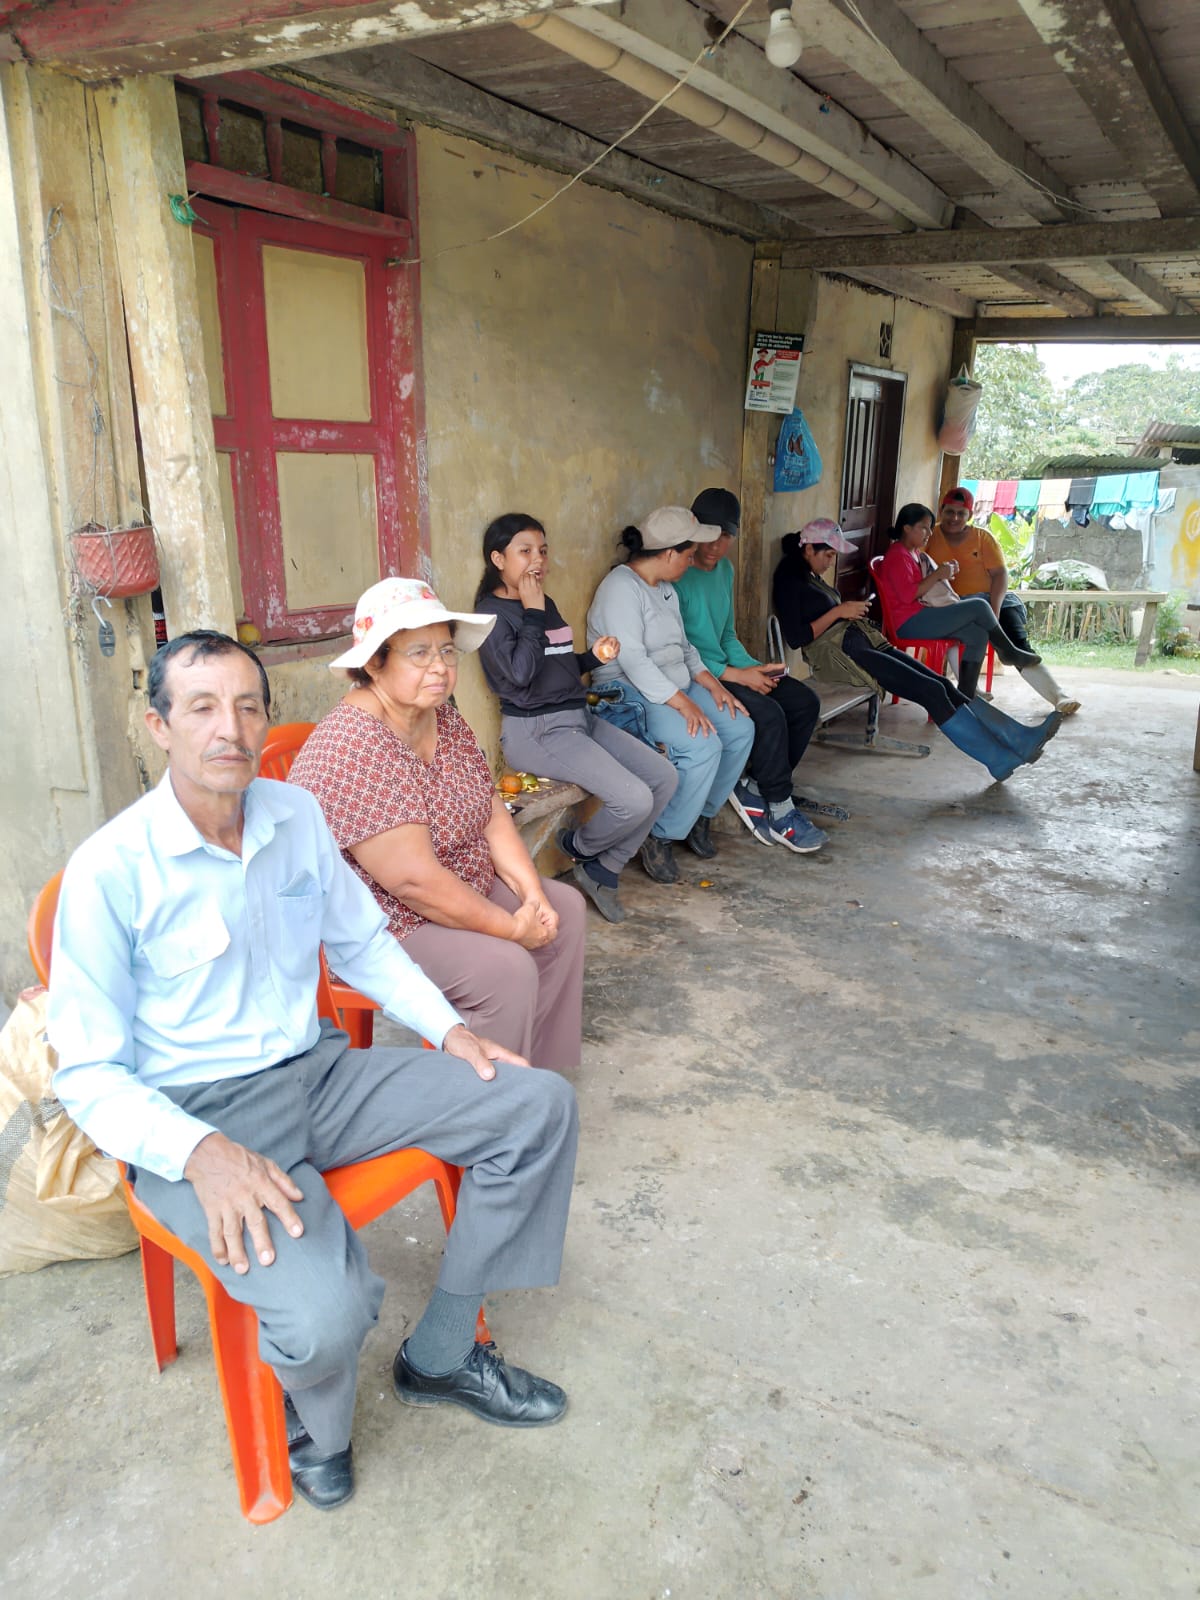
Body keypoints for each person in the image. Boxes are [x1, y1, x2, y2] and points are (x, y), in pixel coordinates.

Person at [47, 630, 577, 1513]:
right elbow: (87, 1072)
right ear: (159, 726)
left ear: (266, 721)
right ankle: (317, 1426)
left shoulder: (294, 816)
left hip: (320, 1076)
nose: (229, 728)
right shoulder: (112, 869)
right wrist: (198, 1153)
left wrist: (449, 1031)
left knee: (535, 1106)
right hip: (201, 1119)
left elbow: (363, 943)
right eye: (201, 708)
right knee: (329, 1317)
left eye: (247, 706)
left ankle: (443, 1352)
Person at [288, 577, 586, 1067]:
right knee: (505, 968)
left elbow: (490, 811)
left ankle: (534, 1076)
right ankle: (486, 1099)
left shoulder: (441, 716)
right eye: (419, 653)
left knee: (563, 908)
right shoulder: (353, 745)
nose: (440, 667)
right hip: (383, 922)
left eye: (447, 651)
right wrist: (512, 929)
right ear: (374, 663)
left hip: (459, 884)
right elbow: (415, 883)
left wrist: (531, 895)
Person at [474, 512, 678, 924]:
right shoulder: (492, 615)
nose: (538, 560)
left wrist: (592, 658)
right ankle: (578, 847)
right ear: (498, 559)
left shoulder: (544, 604)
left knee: (664, 777)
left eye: (543, 551)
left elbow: (557, 665)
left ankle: (604, 868)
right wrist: (532, 613)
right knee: (634, 799)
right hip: (538, 732)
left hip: (578, 718)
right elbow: (520, 676)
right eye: (525, 551)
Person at [772, 520, 1061, 782]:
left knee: (941, 683)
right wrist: (839, 611)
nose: (831, 562)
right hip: (843, 656)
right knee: (930, 691)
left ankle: (1018, 738)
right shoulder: (788, 580)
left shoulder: (807, 573)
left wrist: (846, 612)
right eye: (828, 555)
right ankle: (997, 759)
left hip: (861, 642)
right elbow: (797, 637)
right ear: (808, 549)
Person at [586, 506, 756, 883]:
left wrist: (713, 685)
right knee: (702, 744)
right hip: (630, 692)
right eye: (689, 555)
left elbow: (685, 648)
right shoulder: (620, 589)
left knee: (740, 728)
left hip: (675, 684)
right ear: (667, 554)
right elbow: (633, 661)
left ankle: (699, 816)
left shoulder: (665, 588)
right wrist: (685, 705)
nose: (692, 562)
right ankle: (660, 834)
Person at [673, 487, 827, 854]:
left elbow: (726, 635)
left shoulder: (725, 570)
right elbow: (680, 651)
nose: (716, 545)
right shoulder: (677, 573)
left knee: (804, 702)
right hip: (697, 677)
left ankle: (757, 786)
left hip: (728, 668)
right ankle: (780, 808)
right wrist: (738, 676)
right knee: (769, 715)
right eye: (709, 534)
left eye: (726, 535)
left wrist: (755, 668)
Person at [927, 485, 1081, 714]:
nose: (954, 518)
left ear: (970, 515)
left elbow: (1000, 575)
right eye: (950, 512)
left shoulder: (982, 538)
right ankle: (972, 692)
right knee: (955, 641)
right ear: (941, 511)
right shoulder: (930, 536)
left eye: (961, 513)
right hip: (955, 604)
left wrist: (994, 611)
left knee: (1016, 644)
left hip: (995, 601)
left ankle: (1059, 696)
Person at [878, 501, 1044, 698]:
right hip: (908, 623)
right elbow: (909, 595)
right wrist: (938, 574)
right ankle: (1007, 651)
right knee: (979, 606)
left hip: (921, 614)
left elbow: (922, 586)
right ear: (907, 528)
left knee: (977, 634)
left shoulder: (913, 553)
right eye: (924, 528)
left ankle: (965, 695)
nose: (929, 533)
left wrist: (943, 573)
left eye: (930, 528)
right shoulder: (897, 555)